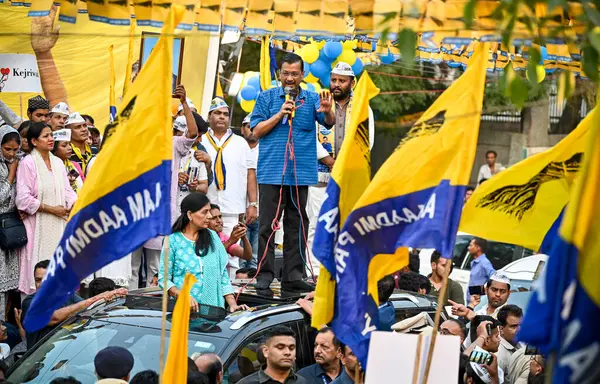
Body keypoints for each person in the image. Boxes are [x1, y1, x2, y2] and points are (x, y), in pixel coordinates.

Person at [251, 52, 335, 296]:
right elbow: (256, 131)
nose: (290, 78)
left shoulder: (311, 99)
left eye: (294, 74)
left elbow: (328, 123)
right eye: (286, 73)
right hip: (271, 172)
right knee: (267, 225)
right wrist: (280, 114)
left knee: (297, 224)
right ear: (280, 74)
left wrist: (328, 111)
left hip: (300, 173)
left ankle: (293, 276)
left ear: (303, 75)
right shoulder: (266, 98)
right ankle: (264, 276)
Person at [132, 84, 200, 290]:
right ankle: (127, 308)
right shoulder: (135, 144)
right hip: (136, 212)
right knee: (132, 267)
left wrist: (184, 103)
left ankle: (152, 307)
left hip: (160, 214)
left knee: (156, 266)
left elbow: (193, 132)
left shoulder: (174, 144)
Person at [158, 193, 248, 312]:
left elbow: (222, 276)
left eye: (209, 211)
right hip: (183, 313)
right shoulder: (173, 241)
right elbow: (164, 279)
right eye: (204, 212)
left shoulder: (213, 237)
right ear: (190, 214)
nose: (209, 216)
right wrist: (181, 295)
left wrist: (232, 304)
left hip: (213, 311)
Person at [16, 122, 77, 295]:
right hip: (36, 227)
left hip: (59, 225)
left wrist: (75, 204)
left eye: (51, 135)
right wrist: (50, 209)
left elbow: (68, 192)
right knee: (36, 275)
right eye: (46, 136)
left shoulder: (58, 162)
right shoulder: (28, 163)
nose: (51, 139)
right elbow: (22, 199)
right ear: (34, 141)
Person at [200, 97, 258, 276]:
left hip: (233, 206)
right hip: (204, 207)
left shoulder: (240, 143)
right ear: (209, 116)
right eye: (217, 113)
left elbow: (250, 174)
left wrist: (252, 204)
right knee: (203, 250)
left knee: (232, 255)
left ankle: (230, 295)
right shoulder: (200, 140)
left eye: (225, 114)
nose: (222, 117)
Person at [21, 260, 126, 349]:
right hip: (39, 364)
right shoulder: (29, 303)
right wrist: (98, 297)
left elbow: (88, 308)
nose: (41, 284)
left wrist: (109, 297)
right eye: (38, 280)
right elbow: (54, 318)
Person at [0, 126, 22, 321]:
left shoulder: (20, 162)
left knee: (9, 288)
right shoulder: (6, 167)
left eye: (15, 150)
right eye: (7, 149)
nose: (11, 154)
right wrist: (10, 176)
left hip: (11, 229)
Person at [238, 325, 307, 384]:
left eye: (291, 348)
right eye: (280, 347)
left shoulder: (302, 382)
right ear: (266, 351)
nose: (287, 352)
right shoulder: (247, 383)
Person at [208, 204, 252, 279]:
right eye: (214, 218)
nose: (219, 221)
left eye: (220, 217)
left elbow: (247, 256)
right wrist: (231, 241)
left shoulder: (223, 237)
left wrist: (243, 236)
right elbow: (211, 258)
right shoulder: (199, 237)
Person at [240, 114, 259, 269]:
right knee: (240, 249)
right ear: (242, 129)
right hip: (239, 205)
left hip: (261, 205)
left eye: (255, 126)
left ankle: (253, 276)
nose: (251, 130)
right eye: (248, 126)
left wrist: (255, 204)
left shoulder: (266, 148)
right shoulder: (236, 147)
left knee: (255, 258)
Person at [51, 129, 84, 193]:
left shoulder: (74, 165)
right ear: (54, 149)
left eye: (69, 144)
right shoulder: (50, 167)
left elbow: (82, 183)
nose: (70, 148)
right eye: (64, 145)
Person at [496, 305, 524, 375]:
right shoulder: (498, 356)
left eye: (521, 325)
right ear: (501, 329)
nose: (519, 329)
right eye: (513, 326)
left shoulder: (521, 344)